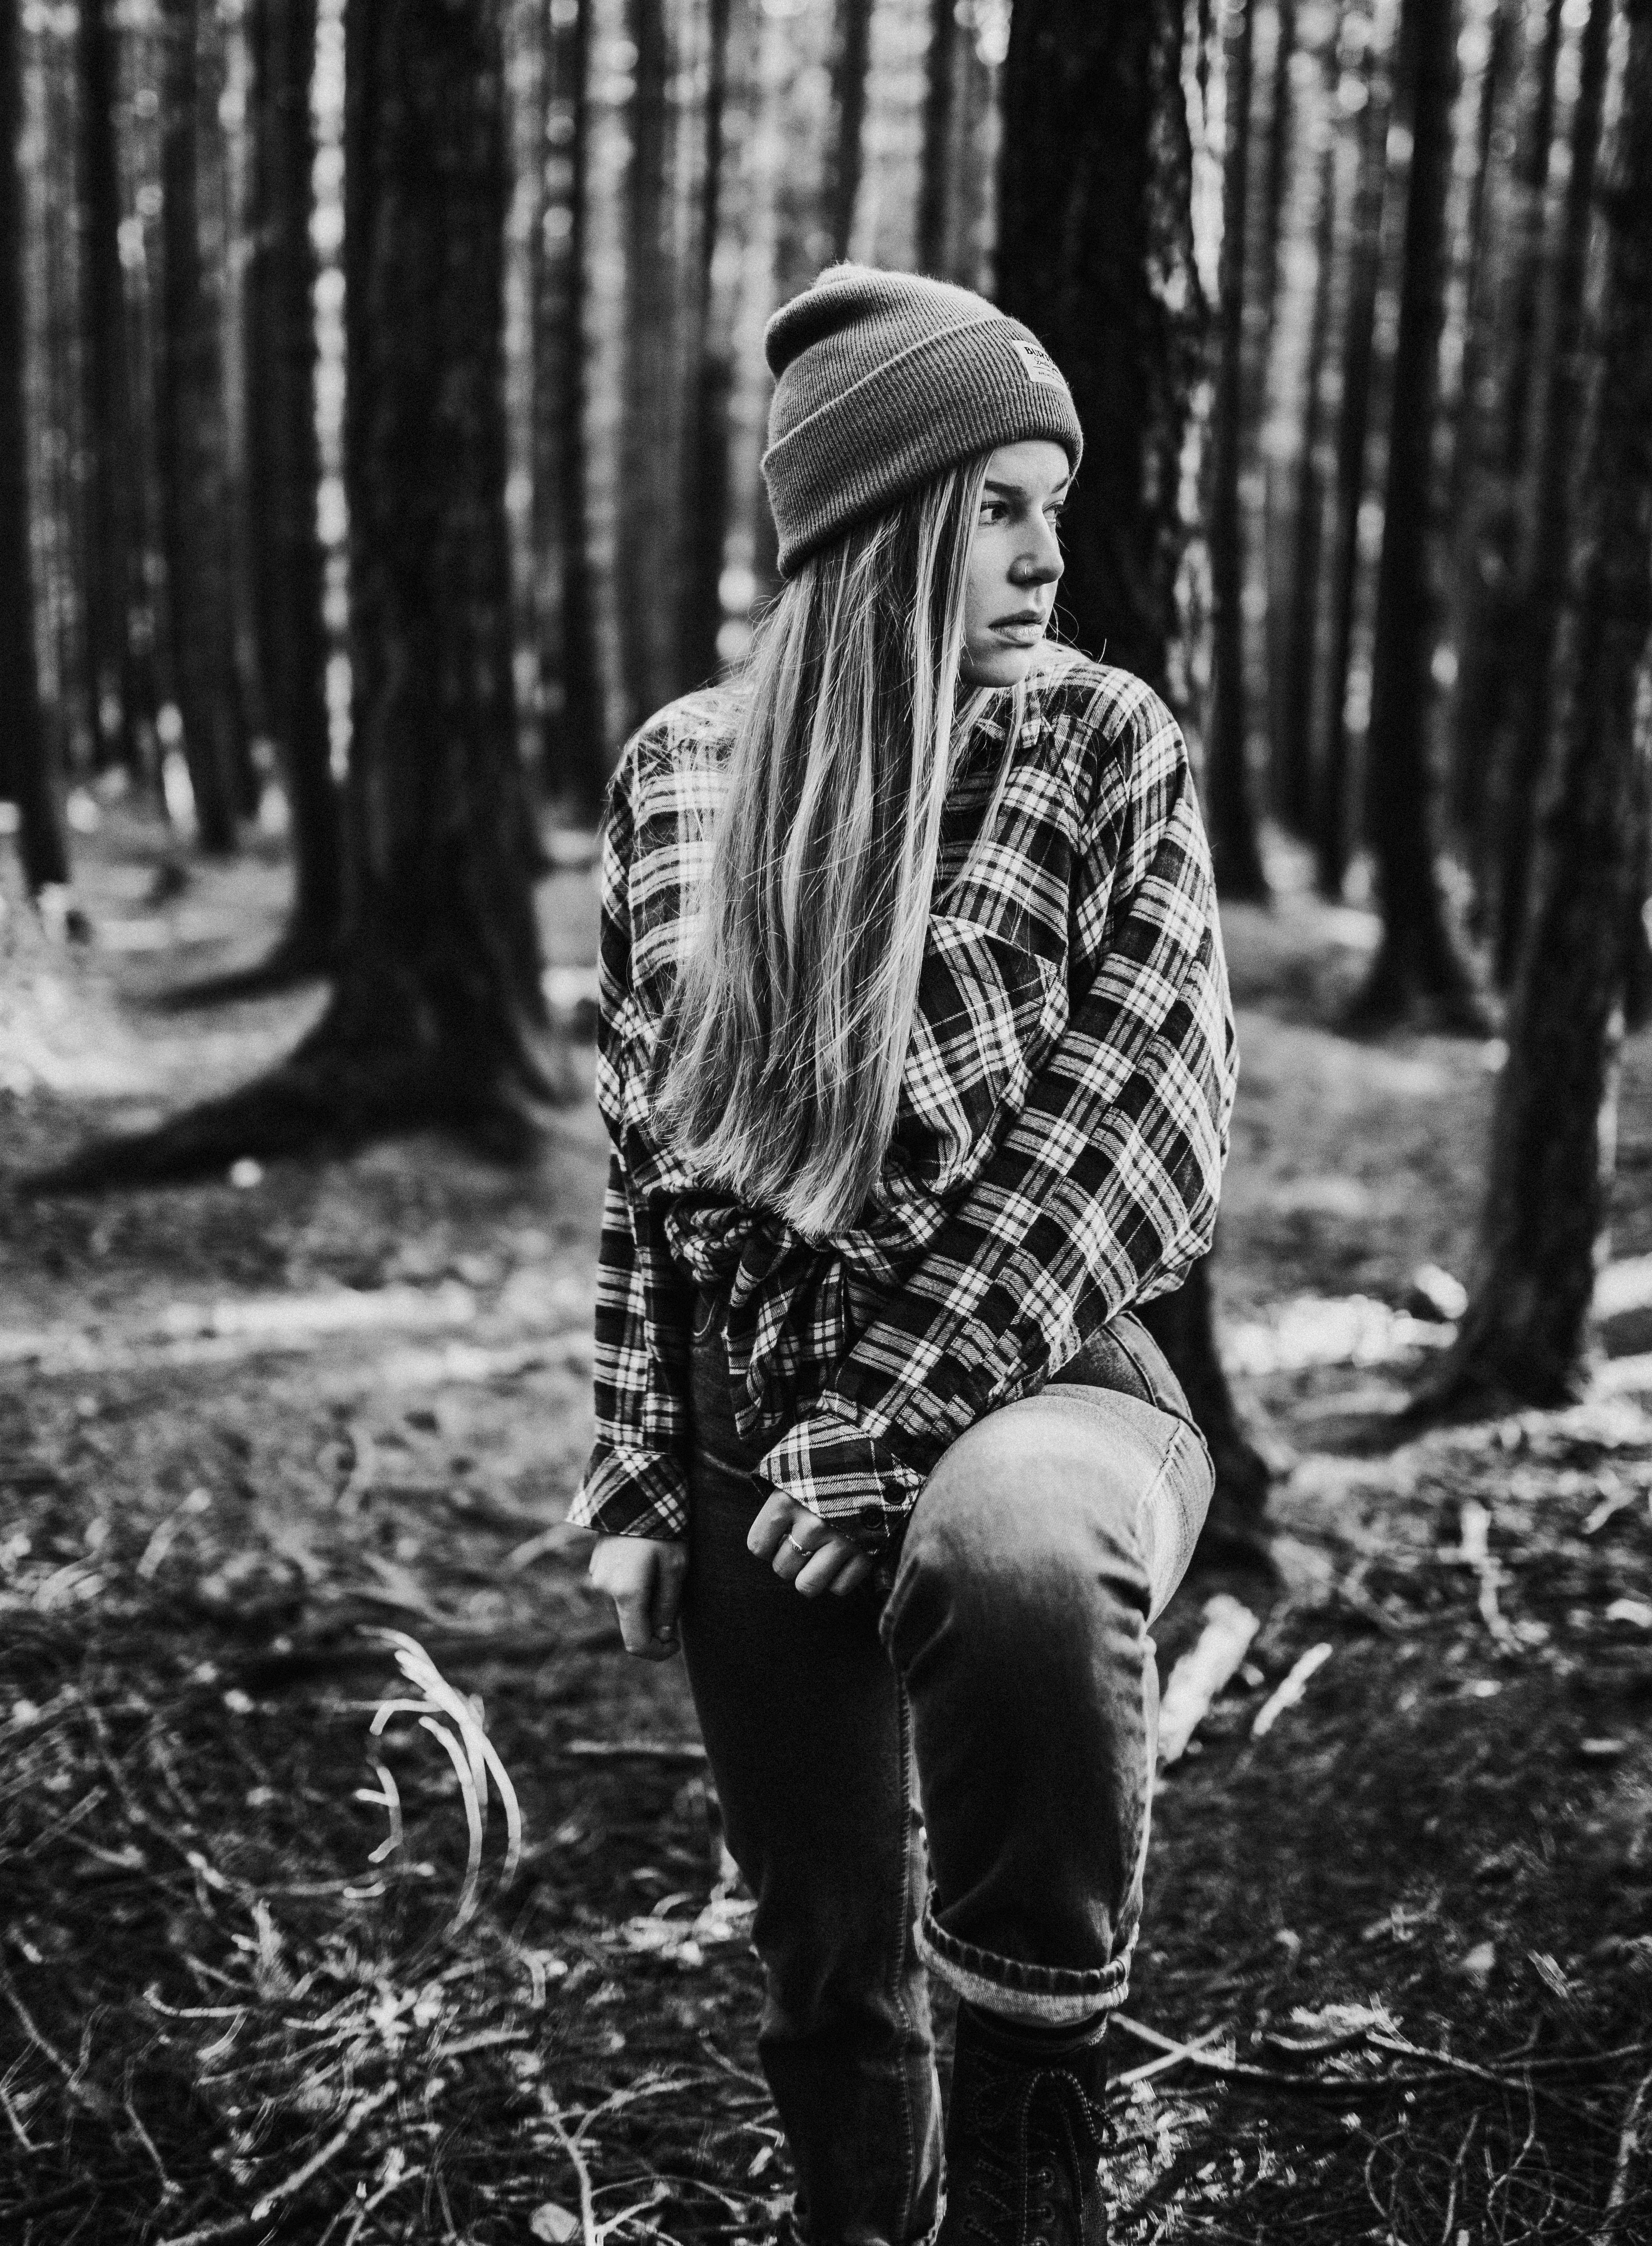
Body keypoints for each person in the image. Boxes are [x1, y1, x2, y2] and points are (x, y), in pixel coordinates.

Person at [570, 265, 1236, 2246]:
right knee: (823, 1954)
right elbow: (645, 1157)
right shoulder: (681, 771)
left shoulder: (1102, 745)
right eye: (1002, 506)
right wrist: (631, 1455)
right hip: (735, 1422)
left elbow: (1133, 1136)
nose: (1053, 550)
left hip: (1034, 1377)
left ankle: (1036, 2183)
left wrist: (883, 1433)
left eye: (1056, 502)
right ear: (881, 525)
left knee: (1019, 1564)